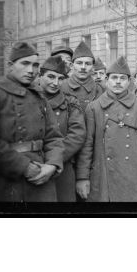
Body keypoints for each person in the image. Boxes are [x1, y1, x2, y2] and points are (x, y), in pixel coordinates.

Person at [0, 42, 64, 202]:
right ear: (10, 65)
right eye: (25, 63)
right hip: (6, 180)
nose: (31, 70)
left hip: (43, 176)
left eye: (35, 65)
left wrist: (52, 165)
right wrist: (25, 167)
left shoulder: (40, 98)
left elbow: (54, 137)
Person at [76, 56, 137, 202]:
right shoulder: (94, 108)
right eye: (114, 78)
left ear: (129, 81)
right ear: (107, 80)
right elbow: (86, 146)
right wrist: (82, 177)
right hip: (102, 176)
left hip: (134, 174)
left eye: (122, 78)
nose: (118, 82)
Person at [37, 56, 86, 202]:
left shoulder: (71, 102)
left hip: (62, 169)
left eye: (60, 78)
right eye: (51, 77)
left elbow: (77, 136)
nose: (55, 83)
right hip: (34, 167)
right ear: (40, 76)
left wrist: (53, 161)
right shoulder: (29, 100)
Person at [61, 40, 103, 112]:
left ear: (93, 68)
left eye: (87, 63)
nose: (83, 67)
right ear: (71, 65)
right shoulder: (62, 86)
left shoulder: (99, 89)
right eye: (79, 63)